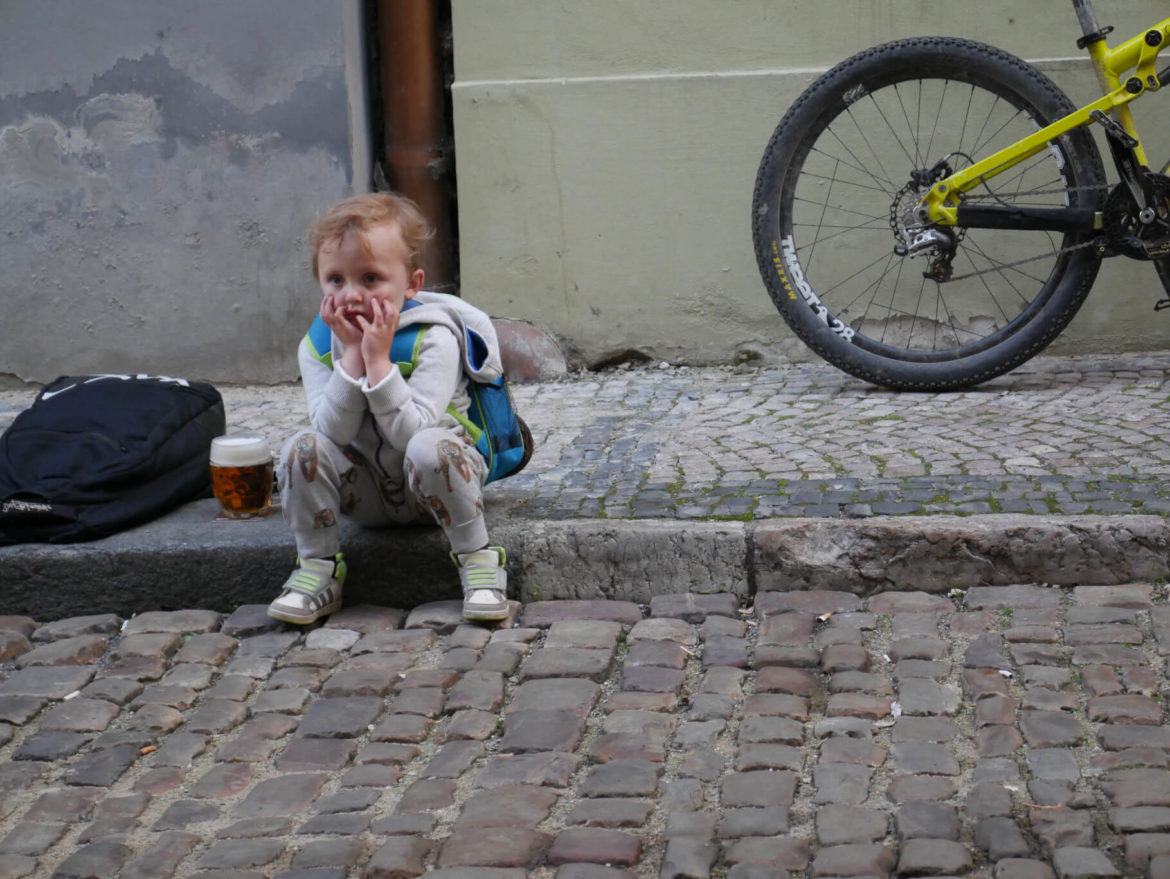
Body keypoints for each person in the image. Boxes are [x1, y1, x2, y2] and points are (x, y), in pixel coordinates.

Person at [269, 191, 508, 625]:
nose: (351, 295)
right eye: (335, 280)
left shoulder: (434, 337)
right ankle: (318, 569)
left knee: (431, 445)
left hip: (433, 491)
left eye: (371, 278)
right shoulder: (317, 345)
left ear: (412, 284)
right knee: (300, 447)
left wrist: (378, 363)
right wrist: (352, 358)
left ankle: (478, 561)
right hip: (365, 497)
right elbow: (331, 432)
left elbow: (411, 431)